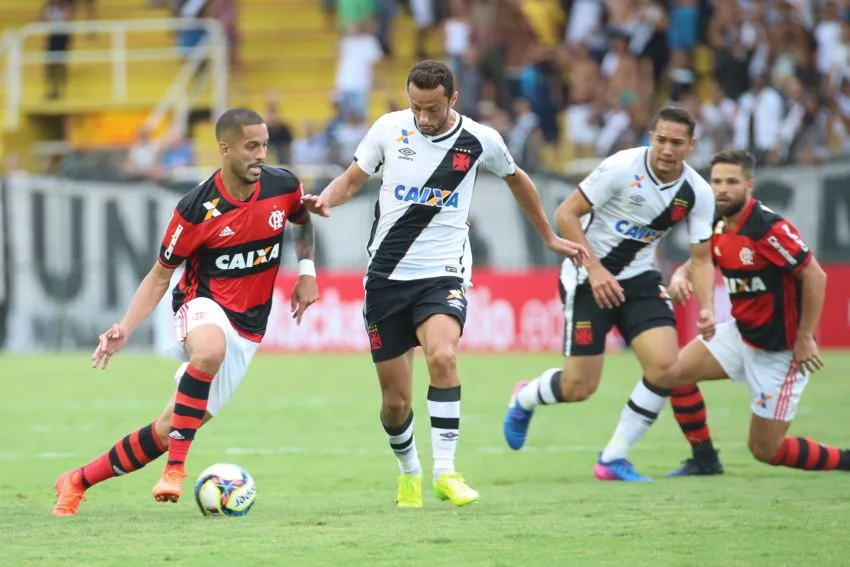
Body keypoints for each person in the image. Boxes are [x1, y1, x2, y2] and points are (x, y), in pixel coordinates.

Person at [301, 60, 587, 508]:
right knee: (396, 402)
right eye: (416, 106)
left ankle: (446, 471)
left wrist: (549, 236)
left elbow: (519, 181)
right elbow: (353, 178)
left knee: (443, 354)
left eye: (432, 108)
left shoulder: (479, 140)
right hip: (386, 277)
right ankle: (409, 471)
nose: (423, 117)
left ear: (453, 100)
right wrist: (326, 198)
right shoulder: (389, 129)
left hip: (443, 274)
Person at [52, 108, 319, 516]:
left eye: (264, 145)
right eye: (251, 146)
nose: (261, 154)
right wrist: (125, 326)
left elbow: (303, 221)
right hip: (202, 302)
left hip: (249, 327)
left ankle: (77, 480)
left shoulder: (282, 185)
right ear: (225, 149)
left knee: (167, 428)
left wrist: (306, 272)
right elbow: (161, 275)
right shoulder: (197, 208)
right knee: (209, 351)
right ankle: (176, 468)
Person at [502, 105, 718, 482]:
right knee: (579, 387)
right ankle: (524, 396)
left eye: (677, 143)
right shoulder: (622, 167)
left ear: (691, 145)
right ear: (652, 136)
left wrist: (708, 308)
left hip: (640, 281)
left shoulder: (697, 193)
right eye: (662, 140)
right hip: (586, 278)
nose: (668, 149)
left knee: (667, 369)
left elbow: (701, 259)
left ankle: (613, 457)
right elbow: (566, 214)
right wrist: (595, 268)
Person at [602, 149, 850, 475]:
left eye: (731, 182)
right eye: (716, 181)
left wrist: (805, 337)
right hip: (741, 333)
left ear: (750, 185)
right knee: (672, 372)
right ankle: (705, 459)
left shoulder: (767, 229)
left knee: (766, 449)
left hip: (780, 349)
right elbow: (701, 259)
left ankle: (846, 460)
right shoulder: (717, 222)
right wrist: (680, 275)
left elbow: (815, 275)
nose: (722, 189)